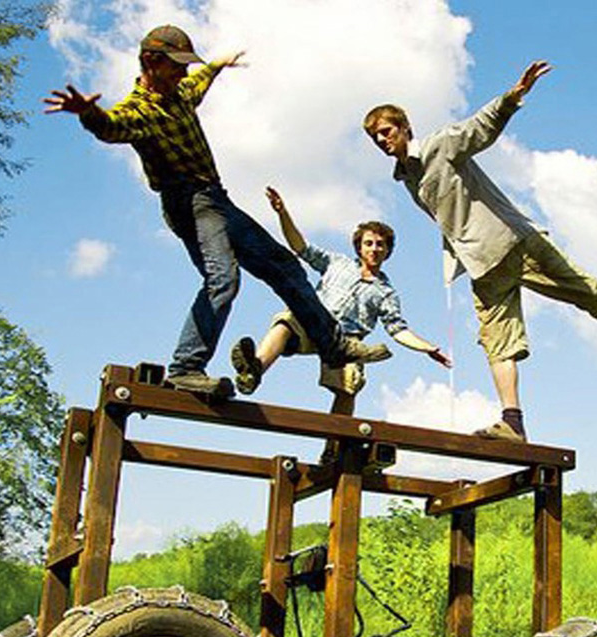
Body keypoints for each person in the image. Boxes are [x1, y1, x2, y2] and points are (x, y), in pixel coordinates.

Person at [44, 24, 387, 398]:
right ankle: (186, 368)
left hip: (217, 200)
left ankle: (331, 344)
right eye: (176, 66)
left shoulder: (181, 92)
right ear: (150, 62)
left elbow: (202, 77)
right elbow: (111, 127)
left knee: (285, 265)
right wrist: (88, 113)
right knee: (223, 278)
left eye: (185, 65)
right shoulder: (139, 111)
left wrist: (220, 62)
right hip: (188, 204)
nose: (183, 73)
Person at [363, 60, 597, 442]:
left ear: (404, 128)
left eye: (386, 132)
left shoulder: (438, 145)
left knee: (587, 292)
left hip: (513, 243)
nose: (382, 141)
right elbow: (448, 217)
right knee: (496, 341)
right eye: (376, 138)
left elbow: (478, 129)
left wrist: (512, 98)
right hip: (480, 264)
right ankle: (512, 422)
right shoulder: (406, 178)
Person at [230, 187, 452, 420]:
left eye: (380, 245)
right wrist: (282, 213)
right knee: (286, 320)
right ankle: (254, 371)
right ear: (359, 247)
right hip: (314, 322)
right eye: (369, 243)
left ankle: (334, 448)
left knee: (349, 384)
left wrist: (427, 347)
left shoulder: (386, 293)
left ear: (387, 251)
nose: (374, 249)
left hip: (346, 340)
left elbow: (398, 330)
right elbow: (300, 247)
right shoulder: (337, 263)